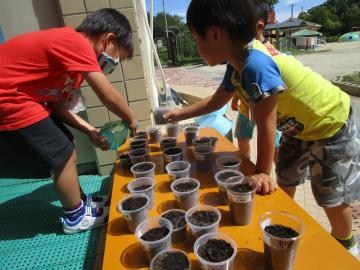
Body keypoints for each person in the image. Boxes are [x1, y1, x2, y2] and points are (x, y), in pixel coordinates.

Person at [167, 0, 360, 255]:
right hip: (298, 131)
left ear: (214, 34)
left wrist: (261, 171)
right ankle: (282, 222)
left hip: (331, 126)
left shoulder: (256, 65)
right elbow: (215, 101)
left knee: (330, 196)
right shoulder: (235, 65)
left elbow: (266, 124)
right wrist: (179, 113)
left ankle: (347, 246)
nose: (195, 45)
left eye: (195, 38)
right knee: (286, 177)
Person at [0, 9, 138, 234]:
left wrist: (91, 131)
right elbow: (107, 96)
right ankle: (75, 216)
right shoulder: (75, 42)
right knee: (62, 152)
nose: (112, 65)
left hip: (20, 97)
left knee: (66, 145)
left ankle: (80, 203)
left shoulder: (72, 71)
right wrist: (131, 118)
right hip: (7, 96)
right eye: (117, 57)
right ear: (109, 39)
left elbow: (58, 107)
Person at [227, 0, 282, 160]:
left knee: (274, 147)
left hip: (270, 111)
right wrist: (236, 95)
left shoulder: (267, 54)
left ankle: (278, 179)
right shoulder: (238, 53)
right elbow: (240, 77)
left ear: (259, 26)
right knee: (242, 140)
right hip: (246, 110)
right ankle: (245, 167)